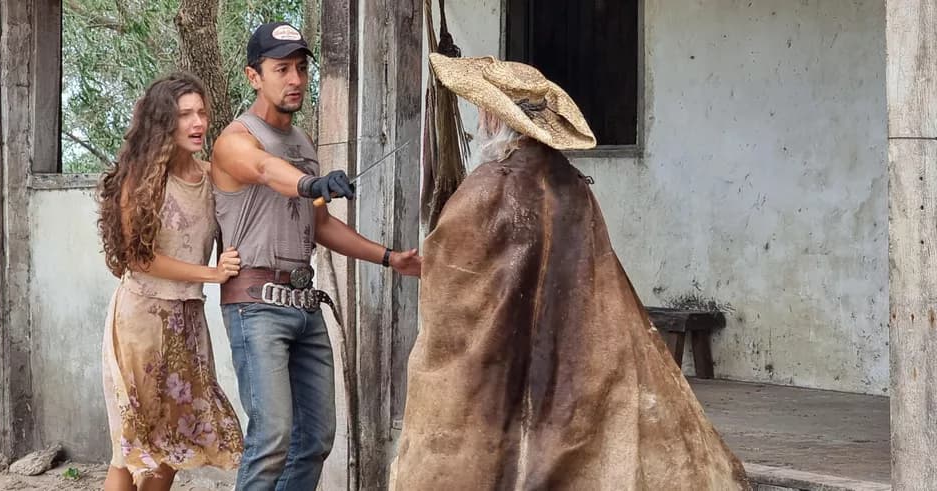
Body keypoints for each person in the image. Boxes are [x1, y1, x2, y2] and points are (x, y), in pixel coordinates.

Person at [390, 54, 749, 490]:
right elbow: (592, 272)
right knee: (552, 447)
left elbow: (452, 286)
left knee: (490, 455)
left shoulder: (488, 185)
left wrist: (433, 270)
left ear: (491, 114)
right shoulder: (572, 185)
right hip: (569, 349)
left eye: (483, 109)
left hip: (494, 359)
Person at [210, 22, 422, 490]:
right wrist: (314, 183)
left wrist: (390, 258)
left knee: (316, 438)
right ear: (253, 76)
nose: (295, 79)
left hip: (304, 308)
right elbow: (266, 170)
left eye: (301, 68)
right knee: (272, 437)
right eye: (281, 69)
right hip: (255, 307)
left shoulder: (303, 143)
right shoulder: (235, 140)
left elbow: (320, 224)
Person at [97, 73, 244, 491]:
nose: (198, 123)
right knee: (131, 449)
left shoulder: (211, 177)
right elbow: (138, 257)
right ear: (163, 122)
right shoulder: (141, 179)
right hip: (141, 320)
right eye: (184, 115)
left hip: (187, 322)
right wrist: (211, 274)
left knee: (174, 445)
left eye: (201, 112)